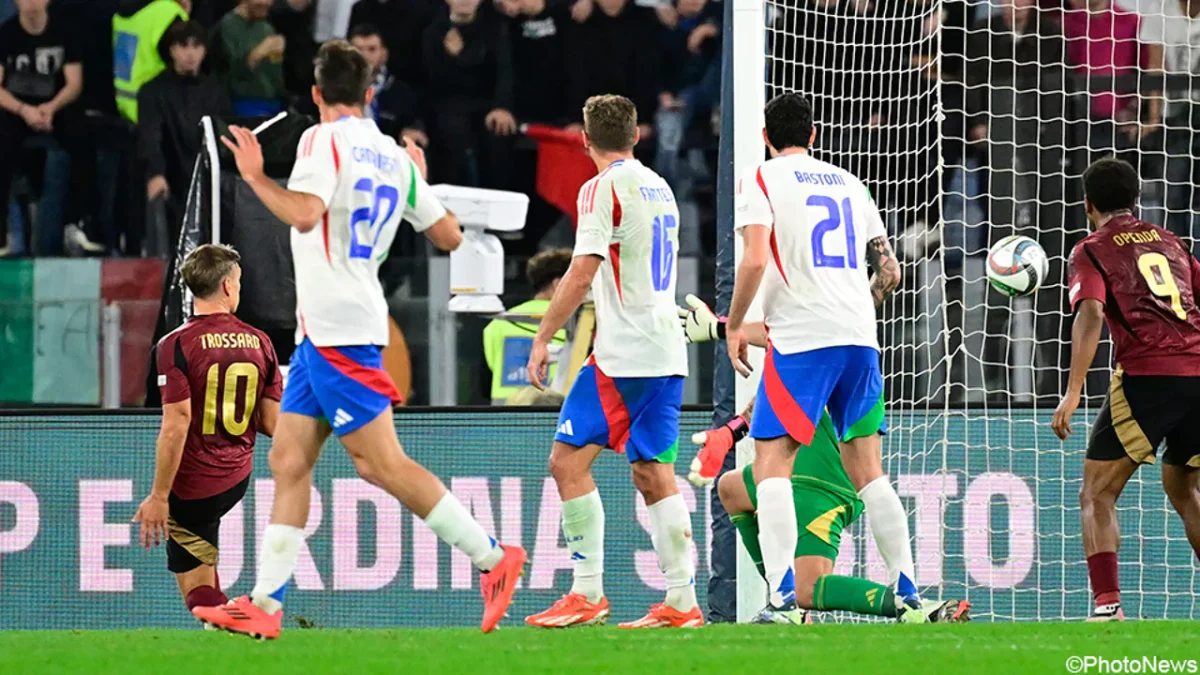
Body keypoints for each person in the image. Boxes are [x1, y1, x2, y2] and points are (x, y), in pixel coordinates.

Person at [195, 40, 526, 639]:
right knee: (289, 459)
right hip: (327, 328)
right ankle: (266, 605)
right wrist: (415, 184)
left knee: (382, 465)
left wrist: (254, 177)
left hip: (339, 330)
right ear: (371, 93)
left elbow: (303, 212)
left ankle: (493, 557)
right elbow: (450, 237)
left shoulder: (321, 139)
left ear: (317, 95)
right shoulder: (393, 156)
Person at [725, 91, 915, 624]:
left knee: (771, 468)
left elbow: (756, 256)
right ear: (814, 136)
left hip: (802, 341)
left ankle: (784, 600)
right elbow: (891, 271)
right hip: (860, 335)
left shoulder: (761, 179)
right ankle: (909, 592)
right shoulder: (850, 183)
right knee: (871, 473)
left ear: (765, 138)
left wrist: (736, 323)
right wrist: (853, 307)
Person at [679, 297, 970, 624]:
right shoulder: (822, 333)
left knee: (809, 587)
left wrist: (723, 328)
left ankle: (903, 606)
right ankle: (788, 597)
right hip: (811, 461)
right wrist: (730, 432)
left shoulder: (806, 324)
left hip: (824, 476)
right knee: (731, 487)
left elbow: (774, 330)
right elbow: (769, 400)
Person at [523, 94, 698, 629]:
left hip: (624, 357)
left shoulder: (601, 187)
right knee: (652, 472)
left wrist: (543, 336)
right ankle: (682, 602)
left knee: (567, 461)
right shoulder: (660, 186)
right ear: (637, 135)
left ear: (584, 139)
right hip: (666, 351)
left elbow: (581, 270)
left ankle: (587, 592)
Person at [1052, 157, 1200, 622]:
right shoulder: (1171, 241)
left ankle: (1107, 605)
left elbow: (1091, 313)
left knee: (1096, 492)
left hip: (1148, 375)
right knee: (1183, 486)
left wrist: (1073, 390)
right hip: (1198, 371)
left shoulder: (1092, 248)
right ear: (1135, 200)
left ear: (1087, 203)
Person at [132, 244, 282, 616]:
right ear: (228, 286)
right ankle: (237, 626)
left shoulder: (175, 345)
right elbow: (273, 424)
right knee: (205, 571)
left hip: (194, 485)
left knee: (198, 597)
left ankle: (251, 622)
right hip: (237, 476)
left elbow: (176, 424)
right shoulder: (260, 342)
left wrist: (159, 496)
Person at [0, 0, 87, 256]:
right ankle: (2, 225)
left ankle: (79, 223)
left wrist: (50, 108)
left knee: (83, 138)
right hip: (16, 108)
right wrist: (23, 110)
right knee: (2, 144)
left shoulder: (65, 31)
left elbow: (74, 84)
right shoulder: (6, 33)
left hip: (54, 106)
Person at [138, 20, 231, 249]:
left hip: (209, 181)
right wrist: (156, 172)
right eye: (183, 46)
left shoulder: (216, 90)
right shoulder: (153, 91)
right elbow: (151, 136)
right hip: (172, 180)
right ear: (171, 50)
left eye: (196, 46)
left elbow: (224, 137)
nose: (190, 53)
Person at [482, 247, 571, 404]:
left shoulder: (498, 323)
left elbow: (491, 367)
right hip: (553, 411)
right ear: (558, 284)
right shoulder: (572, 321)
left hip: (502, 414)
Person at [112, 0, 190, 123]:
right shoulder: (166, 12)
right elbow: (187, 64)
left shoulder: (121, 11)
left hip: (126, 109)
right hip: (162, 112)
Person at [214, 0, 288, 117]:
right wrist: (259, 52)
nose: (267, 3)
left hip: (274, 103)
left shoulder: (266, 27)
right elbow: (230, 72)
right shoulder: (227, 27)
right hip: (241, 103)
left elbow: (275, 71)